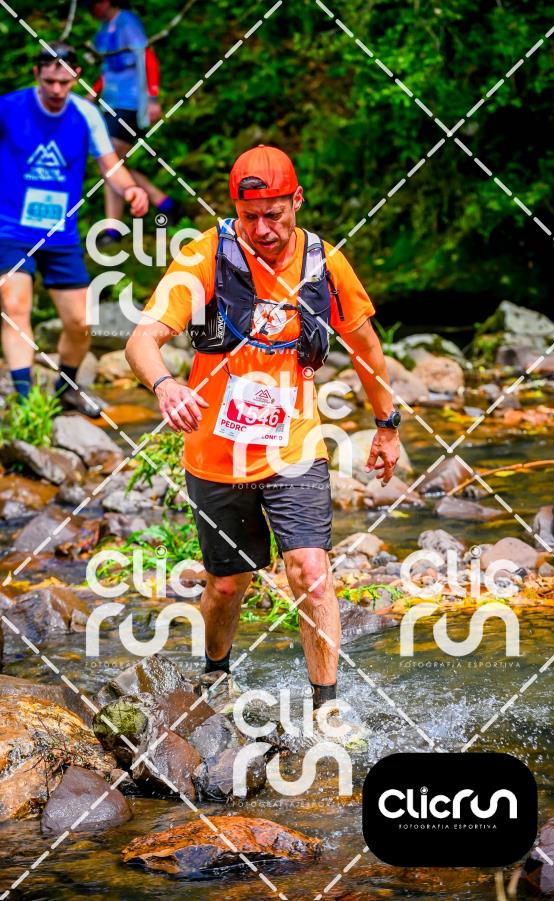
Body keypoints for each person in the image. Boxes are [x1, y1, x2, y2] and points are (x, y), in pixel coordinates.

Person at [125, 145, 401, 710]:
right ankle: (216, 674)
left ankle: (326, 708)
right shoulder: (205, 258)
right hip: (216, 454)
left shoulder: (325, 265)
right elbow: (141, 339)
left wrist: (386, 424)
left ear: (297, 201)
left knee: (311, 571)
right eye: (249, 216)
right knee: (228, 584)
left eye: (273, 214)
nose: (262, 229)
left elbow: (367, 349)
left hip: (293, 447)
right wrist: (166, 385)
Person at [0, 42, 148, 415]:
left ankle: (65, 388)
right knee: (15, 305)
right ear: (37, 74)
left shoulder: (86, 114)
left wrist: (131, 189)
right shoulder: (10, 107)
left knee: (81, 322)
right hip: (11, 228)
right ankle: (26, 403)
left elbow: (110, 165)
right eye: (49, 81)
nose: (56, 90)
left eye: (64, 82)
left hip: (59, 234)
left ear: (76, 78)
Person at [85, 0, 181, 244]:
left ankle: (113, 228)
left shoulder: (127, 22)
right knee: (112, 163)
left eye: (92, 4)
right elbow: (108, 70)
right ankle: (163, 202)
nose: (90, 10)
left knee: (110, 161)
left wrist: (153, 97)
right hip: (110, 102)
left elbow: (146, 57)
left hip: (131, 102)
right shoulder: (103, 30)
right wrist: (93, 94)